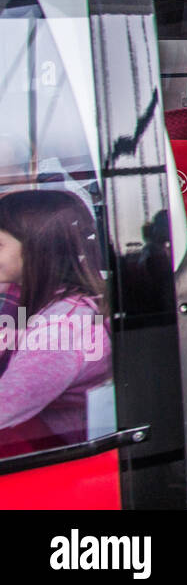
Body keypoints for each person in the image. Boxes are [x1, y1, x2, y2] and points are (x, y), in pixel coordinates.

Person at [0, 190, 112, 449]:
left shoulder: (61, 330)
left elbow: (5, 406)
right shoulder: (53, 294)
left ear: (37, 251)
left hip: (56, 450)